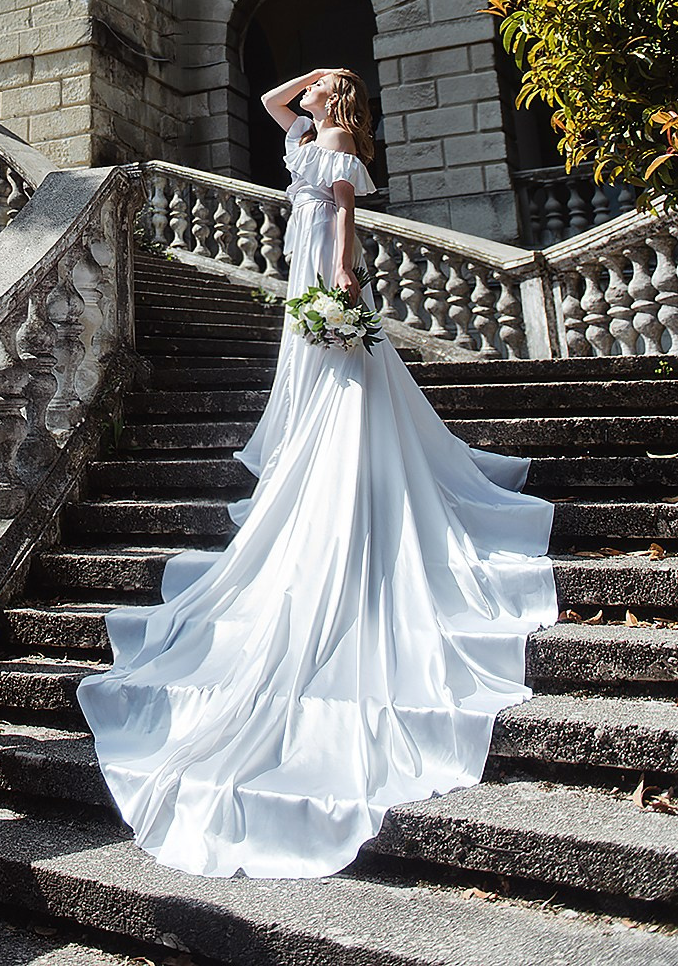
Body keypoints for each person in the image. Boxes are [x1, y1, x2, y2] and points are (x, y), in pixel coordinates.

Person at [77, 67, 557, 879]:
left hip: (321, 263)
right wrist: (317, 79)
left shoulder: (330, 138)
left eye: (317, 89)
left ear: (330, 104)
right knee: (315, 371)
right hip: (302, 261)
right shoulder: (306, 132)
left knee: (342, 370)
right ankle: (316, 446)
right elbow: (273, 102)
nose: (299, 100)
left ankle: (345, 456)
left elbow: (340, 212)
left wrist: (341, 276)